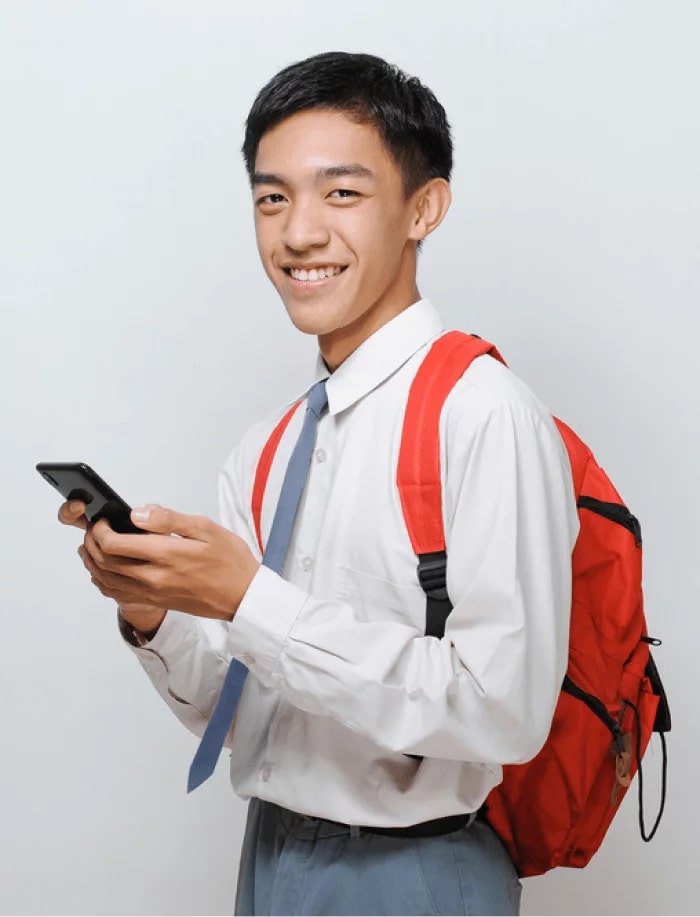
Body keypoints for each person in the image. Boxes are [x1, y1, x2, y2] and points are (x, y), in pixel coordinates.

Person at [59, 51, 579, 916]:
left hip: (418, 869)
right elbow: (234, 704)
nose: (298, 232)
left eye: (341, 193)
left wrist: (250, 598)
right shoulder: (268, 446)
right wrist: (152, 609)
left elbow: (505, 709)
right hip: (268, 857)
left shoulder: (483, 414)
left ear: (424, 207)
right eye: (273, 197)